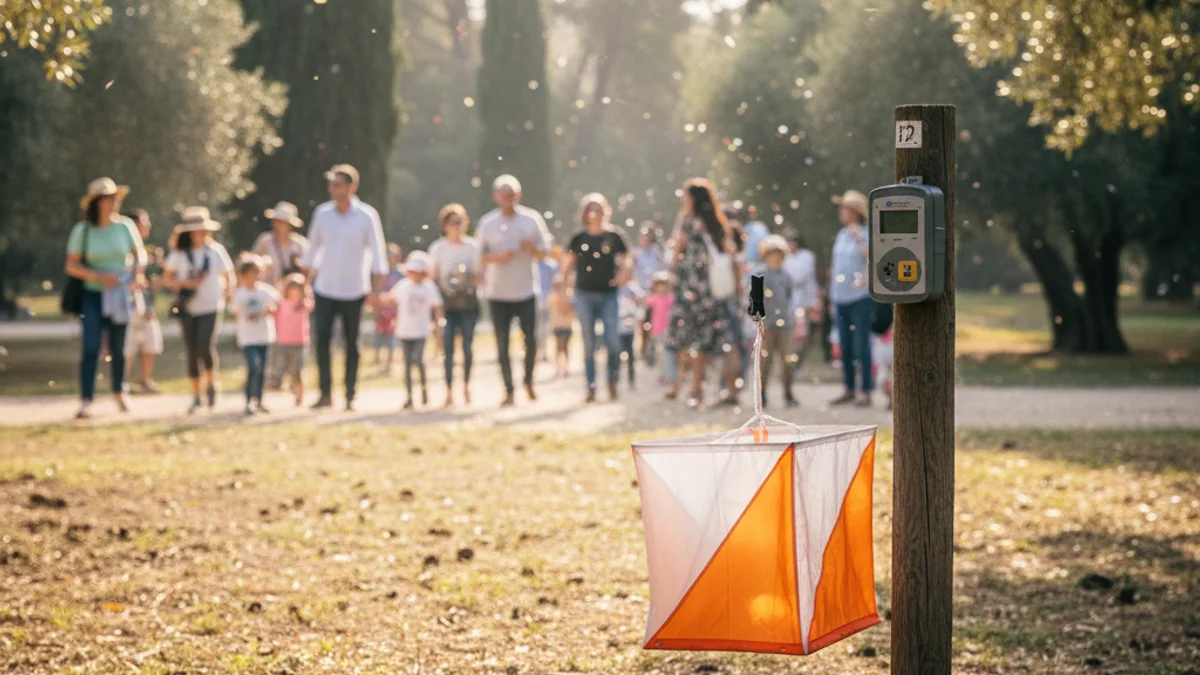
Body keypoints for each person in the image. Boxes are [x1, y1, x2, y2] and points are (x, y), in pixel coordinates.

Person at [302, 164, 389, 411]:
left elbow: (378, 253)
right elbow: (311, 251)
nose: (332, 189)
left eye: (338, 184)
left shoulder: (366, 215)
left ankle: (350, 394)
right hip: (325, 287)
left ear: (352, 187)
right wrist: (306, 284)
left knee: (352, 344)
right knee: (323, 341)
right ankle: (325, 393)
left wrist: (376, 290)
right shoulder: (322, 214)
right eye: (331, 184)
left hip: (354, 289)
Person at [63, 178, 146, 419]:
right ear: (98, 203)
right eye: (109, 199)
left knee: (119, 347)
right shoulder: (83, 231)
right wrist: (98, 276)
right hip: (92, 294)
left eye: (115, 198)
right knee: (91, 346)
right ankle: (86, 399)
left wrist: (137, 271)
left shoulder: (125, 226)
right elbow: (71, 265)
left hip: (120, 293)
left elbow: (139, 253)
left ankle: (120, 392)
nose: (114, 203)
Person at [476, 174, 552, 406]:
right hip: (497, 293)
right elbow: (477, 258)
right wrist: (497, 257)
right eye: (504, 194)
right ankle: (508, 389)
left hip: (527, 290)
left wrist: (532, 249)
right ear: (496, 196)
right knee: (502, 343)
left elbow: (546, 252)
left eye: (512, 193)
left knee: (532, 340)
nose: (509, 198)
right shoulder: (487, 223)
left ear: (519, 195)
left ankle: (528, 380)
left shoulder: (531, 220)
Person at [664, 178, 736, 408]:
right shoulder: (716, 222)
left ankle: (684, 386)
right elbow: (728, 251)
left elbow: (677, 251)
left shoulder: (688, 221)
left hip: (689, 288)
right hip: (708, 290)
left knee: (685, 339)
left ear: (693, 198)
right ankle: (697, 387)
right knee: (704, 341)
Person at [560, 192, 632, 403]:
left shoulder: (615, 236)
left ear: (606, 211)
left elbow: (628, 259)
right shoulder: (578, 238)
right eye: (592, 210)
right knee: (589, 342)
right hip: (584, 295)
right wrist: (564, 292)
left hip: (609, 295)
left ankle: (612, 382)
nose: (596, 214)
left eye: (600, 210)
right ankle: (591, 386)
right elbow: (566, 267)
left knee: (613, 341)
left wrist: (624, 273)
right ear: (585, 213)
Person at [163, 206, 235, 414]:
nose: (202, 233)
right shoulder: (179, 254)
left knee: (205, 345)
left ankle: (211, 382)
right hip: (188, 308)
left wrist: (229, 292)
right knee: (192, 350)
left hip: (211, 305)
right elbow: (168, 279)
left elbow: (229, 274)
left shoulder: (215, 251)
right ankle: (196, 395)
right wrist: (187, 283)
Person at [428, 203, 482, 407]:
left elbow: (479, 277)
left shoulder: (473, 247)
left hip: (468, 303)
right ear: (445, 225)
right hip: (446, 304)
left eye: (459, 222)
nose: (455, 226)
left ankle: (466, 385)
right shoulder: (437, 249)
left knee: (467, 347)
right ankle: (449, 390)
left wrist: (466, 275)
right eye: (451, 223)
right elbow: (433, 280)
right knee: (448, 349)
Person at [828, 189, 875, 407]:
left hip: (860, 297)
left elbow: (872, 259)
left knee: (861, 344)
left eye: (845, 207)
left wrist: (859, 239)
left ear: (855, 211)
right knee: (845, 344)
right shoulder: (840, 234)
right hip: (841, 297)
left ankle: (866, 390)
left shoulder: (866, 234)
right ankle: (848, 388)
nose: (841, 211)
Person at [385, 251, 444, 410]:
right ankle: (409, 397)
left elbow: (437, 308)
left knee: (418, 359)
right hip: (404, 331)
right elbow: (391, 299)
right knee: (407, 364)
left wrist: (438, 329)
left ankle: (424, 391)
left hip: (421, 331)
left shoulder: (429, 288)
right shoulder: (403, 286)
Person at [229, 254, 281, 415]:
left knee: (262, 369)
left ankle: (259, 400)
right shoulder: (239, 293)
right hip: (248, 338)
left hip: (264, 335)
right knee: (254, 366)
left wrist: (270, 309)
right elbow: (233, 311)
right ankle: (249, 400)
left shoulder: (265, 291)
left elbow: (277, 303)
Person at [122, 209, 164, 394]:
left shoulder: (146, 252)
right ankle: (122, 382)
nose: (148, 226)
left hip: (146, 305)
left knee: (151, 344)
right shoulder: (125, 252)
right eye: (143, 222)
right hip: (128, 306)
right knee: (128, 346)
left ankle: (144, 380)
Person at [756, 235, 798, 408]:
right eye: (771, 253)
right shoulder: (759, 274)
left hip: (785, 325)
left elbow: (788, 297)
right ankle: (762, 393)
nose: (774, 257)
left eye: (777, 254)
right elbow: (755, 300)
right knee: (765, 361)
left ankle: (788, 393)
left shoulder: (786, 276)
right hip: (766, 325)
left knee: (788, 359)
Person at [781, 228, 821, 373]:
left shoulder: (807, 256)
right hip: (789, 302)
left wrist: (815, 300)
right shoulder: (783, 259)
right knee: (791, 334)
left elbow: (809, 278)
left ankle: (799, 361)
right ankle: (789, 362)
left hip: (805, 300)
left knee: (804, 335)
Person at [275, 273, 312, 407]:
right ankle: (293, 388)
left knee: (298, 369)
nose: (295, 291)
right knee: (289, 369)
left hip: (300, 341)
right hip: (284, 341)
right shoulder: (281, 304)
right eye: (292, 288)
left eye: (298, 288)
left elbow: (310, 304)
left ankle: (300, 393)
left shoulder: (303, 305)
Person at [253, 201, 310, 288]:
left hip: (291, 294)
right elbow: (252, 262)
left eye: (281, 222)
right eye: (276, 221)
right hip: (268, 290)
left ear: (290, 225)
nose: (277, 224)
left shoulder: (301, 244)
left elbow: (308, 269)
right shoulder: (265, 241)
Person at [631, 224, 664, 361]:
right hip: (642, 292)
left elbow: (661, 269)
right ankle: (644, 351)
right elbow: (634, 272)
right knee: (643, 323)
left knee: (655, 323)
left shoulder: (657, 252)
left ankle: (654, 350)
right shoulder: (636, 253)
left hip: (656, 293)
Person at [373, 244, 405, 375]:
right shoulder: (382, 273)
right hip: (382, 309)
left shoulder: (401, 273)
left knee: (392, 338)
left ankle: (390, 363)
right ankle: (379, 362)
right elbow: (377, 290)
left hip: (395, 309)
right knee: (380, 337)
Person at [644, 271, 674, 374]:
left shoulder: (670, 298)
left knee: (668, 352)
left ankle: (669, 373)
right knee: (659, 352)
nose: (661, 288)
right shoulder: (653, 298)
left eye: (663, 285)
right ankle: (662, 373)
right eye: (659, 286)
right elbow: (645, 304)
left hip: (668, 329)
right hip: (657, 330)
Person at [617, 280, 645, 390]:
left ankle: (631, 380)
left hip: (629, 330)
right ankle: (616, 380)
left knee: (631, 356)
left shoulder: (633, 288)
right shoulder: (615, 289)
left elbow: (641, 303)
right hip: (618, 329)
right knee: (617, 356)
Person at [547, 277, 574, 378]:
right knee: (558, 347)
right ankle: (558, 367)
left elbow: (568, 308)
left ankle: (566, 367)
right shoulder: (552, 297)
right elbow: (555, 304)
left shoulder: (569, 295)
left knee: (565, 347)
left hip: (566, 325)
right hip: (557, 325)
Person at [741, 204, 771, 268]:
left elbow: (766, 242)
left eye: (754, 212)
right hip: (749, 263)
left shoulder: (762, 226)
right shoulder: (745, 227)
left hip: (762, 262)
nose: (752, 214)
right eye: (750, 213)